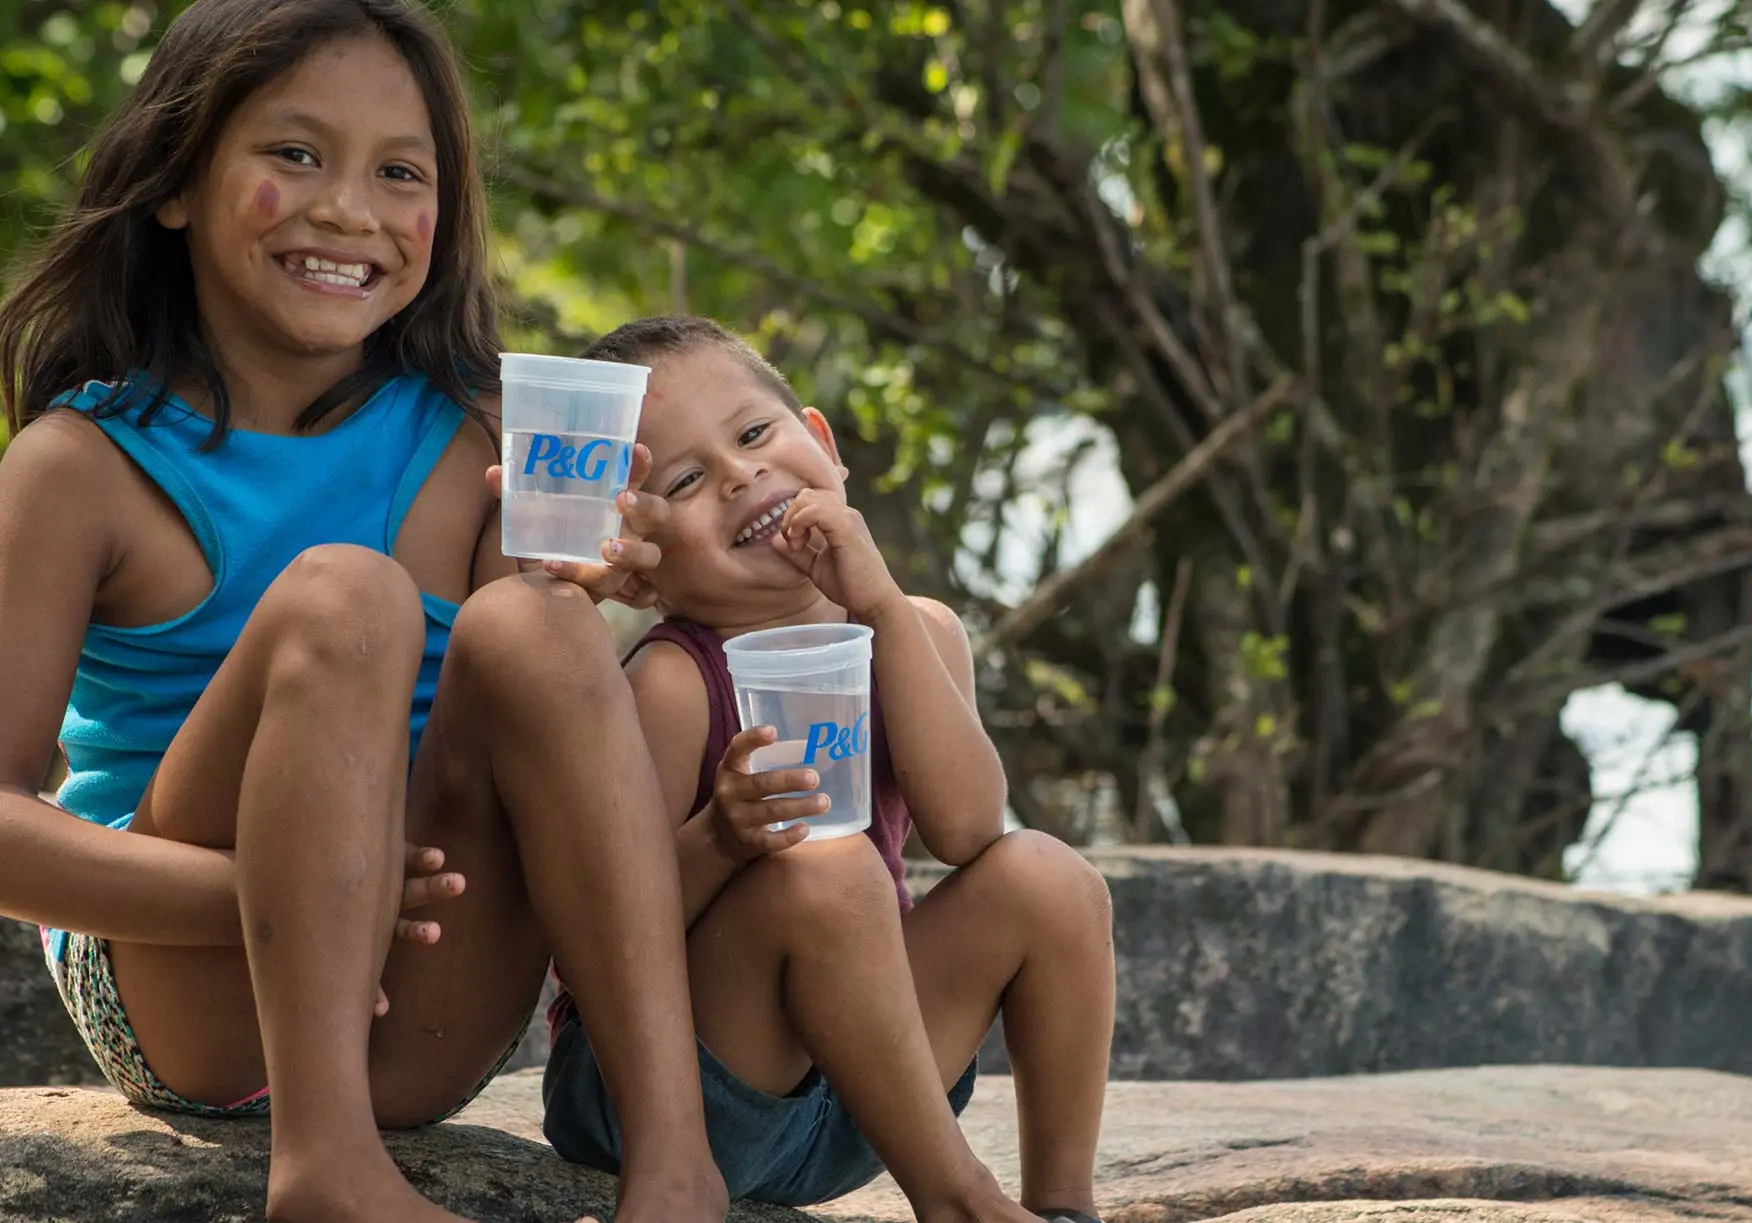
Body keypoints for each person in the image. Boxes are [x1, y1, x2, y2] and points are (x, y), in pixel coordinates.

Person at [0, 4, 726, 1222]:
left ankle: (675, 1163)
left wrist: (625, 591)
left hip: (435, 998)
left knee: (537, 627)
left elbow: (538, 763)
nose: (350, 209)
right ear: (175, 183)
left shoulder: (491, 441)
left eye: (400, 172)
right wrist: (299, 891)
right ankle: (325, 1167)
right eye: (294, 155)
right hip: (191, 994)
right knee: (350, 593)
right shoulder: (77, 468)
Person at [539, 316, 1116, 1223]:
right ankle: (961, 1201)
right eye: (686, 480)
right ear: (642, 571)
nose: (738, 474)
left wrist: (881, 606)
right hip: (682, 1098)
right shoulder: (670, 683)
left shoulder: (916, 629)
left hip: (870, 1096)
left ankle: (1064, 1203)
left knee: (1052, 878)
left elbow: (967, 830)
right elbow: (602, 940)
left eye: (755, 433)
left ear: (824, 445)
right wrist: (722, 839)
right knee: (833, 867)